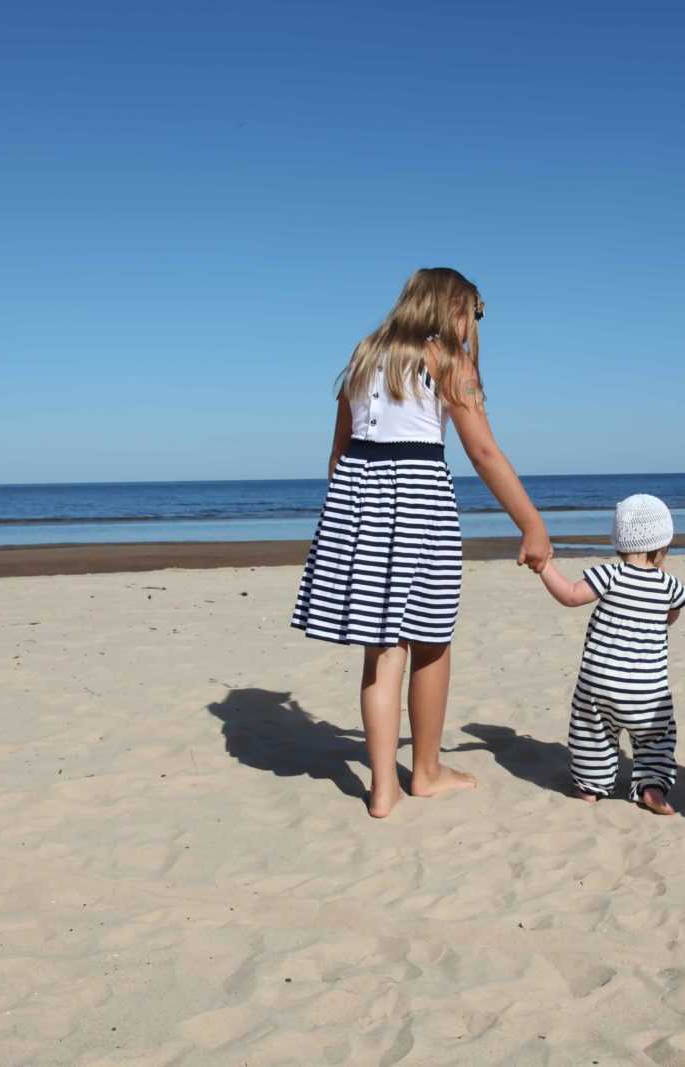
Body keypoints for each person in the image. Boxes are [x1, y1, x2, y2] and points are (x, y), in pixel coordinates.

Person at [291, 267, 553, 818]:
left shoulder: (365, 353)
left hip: (356, 502)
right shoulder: (445, 359)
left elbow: (340, 451)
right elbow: (483, 452)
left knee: (383, 649)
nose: (474, 326)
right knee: (431, 638)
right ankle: (426, 772)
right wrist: (531, 522)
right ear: (452, 308)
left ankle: (382, 788)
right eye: (473, 314)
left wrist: (347, 520)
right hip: (418, 501)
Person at [537, 494, 685, 815]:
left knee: (592, 734)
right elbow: (670, 618)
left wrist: (545, 566)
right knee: (655, 740)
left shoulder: (609, 575)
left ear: (618, 543)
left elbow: (569, 596)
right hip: (648, 691)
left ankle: (590, 788)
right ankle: (651, 789)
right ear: (664, 546)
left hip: (599, 683)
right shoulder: (671, 586)